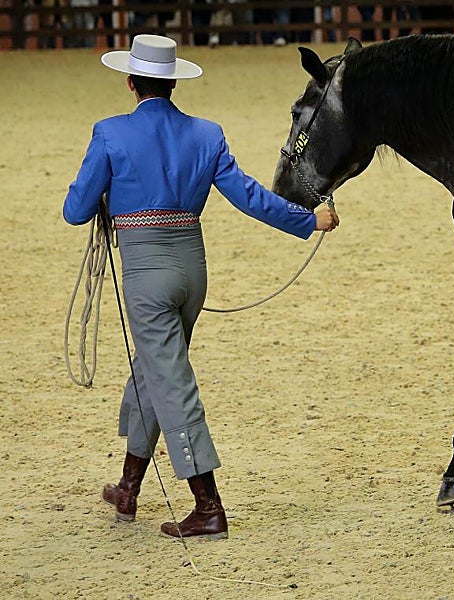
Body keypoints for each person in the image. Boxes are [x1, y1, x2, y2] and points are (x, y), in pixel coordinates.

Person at [63, 34, 338, 539]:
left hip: (147, 271)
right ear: (171, 83)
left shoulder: (109, 133)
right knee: (154, 370)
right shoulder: (207, 134)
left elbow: (75, 211)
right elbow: (250, 196)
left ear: (130, 81)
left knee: (170, 382)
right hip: (193, 267)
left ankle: (208, 505)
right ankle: (128, 487)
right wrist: (307, 220)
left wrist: (109, 195)